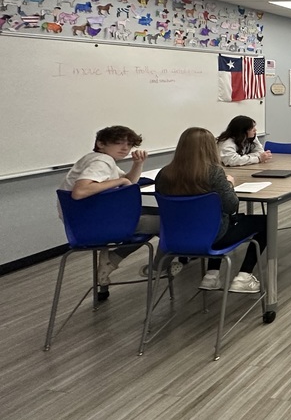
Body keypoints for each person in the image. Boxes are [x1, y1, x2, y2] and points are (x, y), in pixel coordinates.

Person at [155, 127, 266, 293]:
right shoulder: (214, 173)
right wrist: (229, 184)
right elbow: (231, 206)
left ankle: (212, 275)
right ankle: (244, 276)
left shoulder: (164, 174)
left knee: (213, 220)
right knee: (265, 222)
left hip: (174, 237)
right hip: (214, 236)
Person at [59, 125, 162, 294]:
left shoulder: (96, 159)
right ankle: (160, 267)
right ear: (101, 143)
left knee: (156, 216)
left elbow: (129, 180)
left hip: (84, 222)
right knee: (170, 220)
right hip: (97, 224)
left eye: (129, 144)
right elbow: (80, 191)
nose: (125, 148)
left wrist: (137, 164)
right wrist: (119, 182)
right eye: (119, 143)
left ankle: (112, 261)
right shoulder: (101, 162)